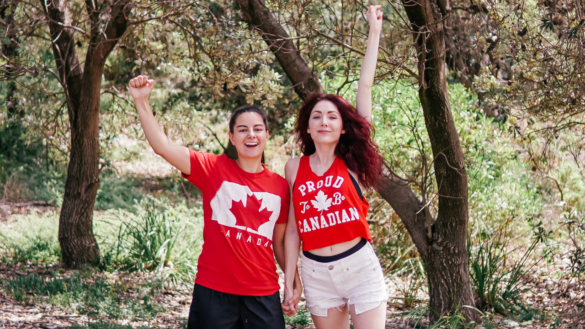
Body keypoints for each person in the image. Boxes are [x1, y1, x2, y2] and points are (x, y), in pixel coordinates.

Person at [128, 75, 302, 329]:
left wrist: (292, 280)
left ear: (267, 135)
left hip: (263, 291)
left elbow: (279, 241)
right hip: (214, 290)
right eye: (242, 129)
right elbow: (162, 146)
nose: (250, 135)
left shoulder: (280, 186)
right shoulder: (213, 168)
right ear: (232, 137)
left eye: (257, 129)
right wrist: (142, 101)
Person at [282, 5, 387, 329]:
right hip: (316, 274)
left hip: (358, 268)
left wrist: (374, 32)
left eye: (332, 116)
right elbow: (293, 229)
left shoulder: (351, 162)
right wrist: (289, 279)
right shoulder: (293, 167)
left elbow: (365, 87)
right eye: (317, 116)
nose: (324, 121)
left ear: (343, 127)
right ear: (308, 129)